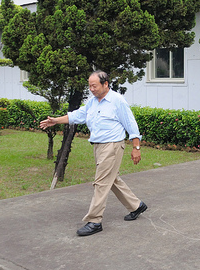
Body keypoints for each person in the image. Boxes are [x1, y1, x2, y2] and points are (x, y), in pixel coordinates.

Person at [39, 70, 147, 236]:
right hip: (98, 146)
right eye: (89, 86)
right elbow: (78, 115)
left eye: (94, 85)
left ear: (105, 84)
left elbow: (131, 124)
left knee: (101, 182)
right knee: (111, 179)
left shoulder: (117, 101)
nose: (91, 89)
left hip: (112, 146)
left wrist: (136, 147)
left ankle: (94, 221)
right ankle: (136, 205)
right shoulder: (93, 102)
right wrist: (56, 120)